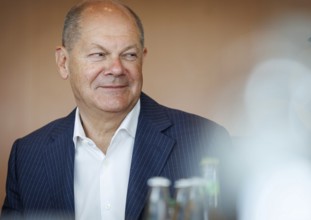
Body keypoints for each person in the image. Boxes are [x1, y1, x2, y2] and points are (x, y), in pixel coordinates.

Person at [1, 0, 232, 219]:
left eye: (129, 55)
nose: (116, 68)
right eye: (98, 54)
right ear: (63, 62)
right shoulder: (28, 156)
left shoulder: (204, 141)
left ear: (142, 59)